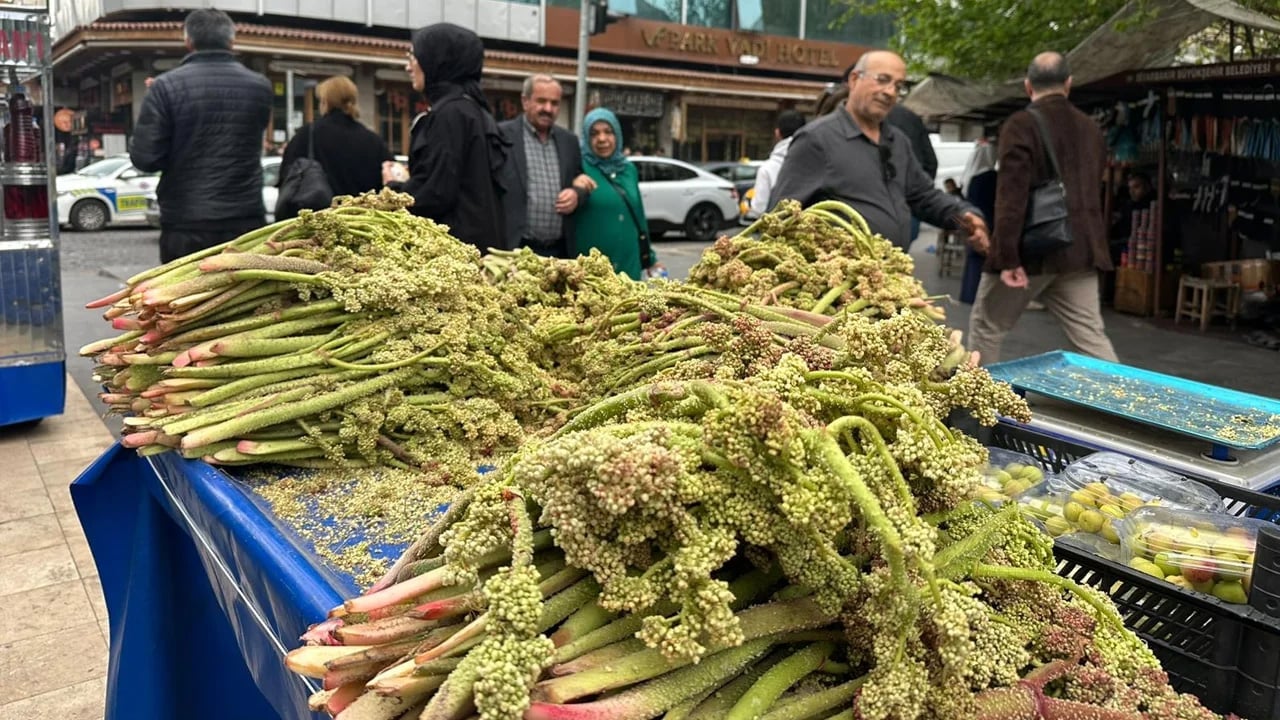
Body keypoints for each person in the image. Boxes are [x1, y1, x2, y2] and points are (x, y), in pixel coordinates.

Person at [969, 52, 1118, 365]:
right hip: (1081, 250)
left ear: (1027, 86)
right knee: (1091, 338)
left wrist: (1007, 257)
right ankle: (1117, 407)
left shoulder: (1021, 125)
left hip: (1032, 252)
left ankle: (979, 406)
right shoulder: (1091, 128)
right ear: (1068, 84)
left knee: (987, 326)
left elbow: (1011, 196)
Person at [769, 50, 988, 252]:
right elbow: (780, 219)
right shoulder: (817, 140)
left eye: (899, 86)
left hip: (891, 277)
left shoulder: (897, 141)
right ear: (855, 80)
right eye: (882, 80)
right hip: (840, 284)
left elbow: (924, 197)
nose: (890, 92)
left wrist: (965, 219)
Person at [130, 9, 272, 263]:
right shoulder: (260, 86)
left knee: (185, 299)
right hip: (245, 217)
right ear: (231, 41)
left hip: (186, 219)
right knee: (243, 298)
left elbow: (146, 158)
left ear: (188, 41)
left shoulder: (165, 87)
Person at [383, 23, 508, 252]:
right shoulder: (473, 109)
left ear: (437, 60)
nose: (408, 66)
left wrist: (392, 190)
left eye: (414, 56)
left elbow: (435, 193)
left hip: (454, 253)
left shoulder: (449, 115)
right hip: (479, 249)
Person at [276, 75, 392, 220]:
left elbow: (287, 177)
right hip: (361, 226)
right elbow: (388, 186)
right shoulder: (374, 141)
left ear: (325, 102)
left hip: (315, 227)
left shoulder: (307, 136)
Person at [498, 74, 588, 258]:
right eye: (541, 101)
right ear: (525, 101)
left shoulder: (569, 142)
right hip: (515, 250)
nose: (548, 108)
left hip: (559, 253)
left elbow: (581, 180)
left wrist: (577, 194)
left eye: (554, 103)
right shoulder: (502, 136)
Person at [571, 108, 657, 280]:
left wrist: (651, 258)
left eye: (608, 132)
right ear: (587, 139)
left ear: (617, 135)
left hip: (629, 264)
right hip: (591, 271)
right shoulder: (578, 168)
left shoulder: (628, 169)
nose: (602, 139)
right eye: (594, 134)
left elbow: (638, 214)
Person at [748, 109, 805, 219]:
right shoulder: (815, 162)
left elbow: (758, 208)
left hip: (776, 231)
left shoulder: (767, 169)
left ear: (777, 133)